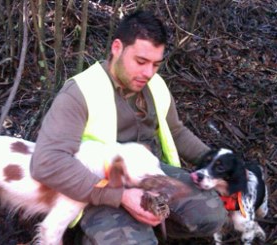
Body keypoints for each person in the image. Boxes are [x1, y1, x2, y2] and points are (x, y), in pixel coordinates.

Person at [31, 10, 227, 244]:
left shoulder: (156, 85)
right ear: (117, 48)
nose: (148, 73)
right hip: (96, 185)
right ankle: (99, 233)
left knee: (212, 214)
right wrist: (120, 196)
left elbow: (175, 131)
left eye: (156, 64)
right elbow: (46, 161)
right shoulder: (80, 92)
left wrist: (218, 161)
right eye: (141, 61)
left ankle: (142, 225)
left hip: (148, 174)